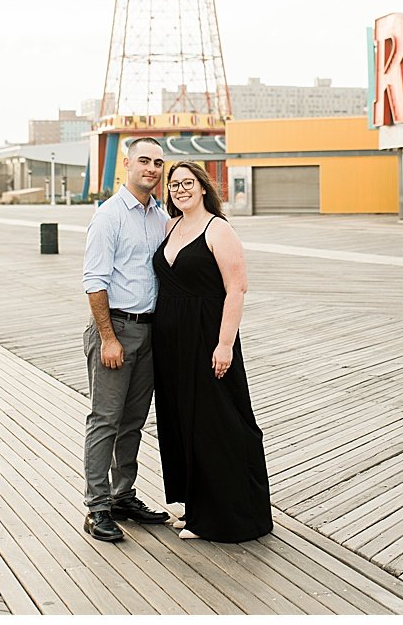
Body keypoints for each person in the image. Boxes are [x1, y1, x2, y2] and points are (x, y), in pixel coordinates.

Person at [151, 160, 272, 543]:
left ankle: (229, 515)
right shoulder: (170, 226)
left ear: (203, 187)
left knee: (218, 422)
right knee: (180, 421)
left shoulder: (217, 229)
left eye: (188, 183)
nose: (180, 190)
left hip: (207, 335)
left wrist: (224, 344)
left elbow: (237, 288)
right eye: (174, 185)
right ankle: (196, 507)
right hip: (170, 339)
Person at [80, 136, 173, 542]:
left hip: (150, 332)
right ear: (127, 165)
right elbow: (94, 283)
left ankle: (123, 496)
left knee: (133, 422)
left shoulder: (159, 216)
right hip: (115, 329)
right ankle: (97, 507)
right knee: (105, 421)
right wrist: (108, 338)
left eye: (158, 162)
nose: (151, 168)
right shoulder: (109, 216)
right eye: (144, 161)